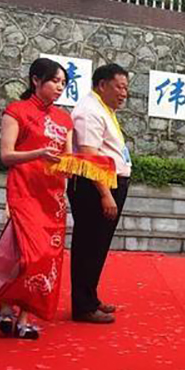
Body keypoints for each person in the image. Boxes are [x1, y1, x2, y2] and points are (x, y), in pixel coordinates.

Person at [0, 58, 72, 340]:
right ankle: (6, 303)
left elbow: (67, 159)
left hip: (53, 196)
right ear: (36, 80)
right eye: (55, 81)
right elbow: (6, 155)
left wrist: (87, 166)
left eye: (63, 83)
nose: (60, 88)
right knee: (28, 255)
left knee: (46, 258)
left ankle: (23, 316)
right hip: (24, 192)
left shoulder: (64, 119)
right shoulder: (16, 111)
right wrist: (38, 154)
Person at [67, 64, 131, 324]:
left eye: (126, 88)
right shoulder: (89, 111)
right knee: (88, 244)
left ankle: (90, 298)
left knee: (98, 245)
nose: (124, 93)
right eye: (119, 87)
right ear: (102, 85)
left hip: (110, 182)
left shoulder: (104, 110)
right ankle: (82, 306)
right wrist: (105, 193)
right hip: (94, 186)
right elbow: (89, 154)